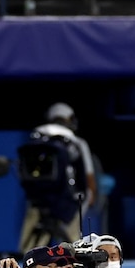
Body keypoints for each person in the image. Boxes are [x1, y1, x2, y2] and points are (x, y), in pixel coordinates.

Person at [18, 103, 97, 253]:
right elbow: (89, 180)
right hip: (56, 205)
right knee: (73, 253)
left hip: (58, 204)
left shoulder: (36, 140)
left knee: (30, 253)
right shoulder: (77, 143)